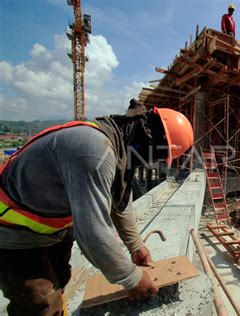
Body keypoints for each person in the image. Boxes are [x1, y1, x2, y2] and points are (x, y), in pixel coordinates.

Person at [0, 99, 194, 315]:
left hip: (51, 227)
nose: (151, 162)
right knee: (40, 304)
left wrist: (135, 245)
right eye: (158, 155)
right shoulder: (94, 153)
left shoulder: (117, 144)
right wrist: (132, 278)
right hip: (14, 233)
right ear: (150, 141)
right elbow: (92, 232)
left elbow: (120, 199)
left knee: (60, 282)